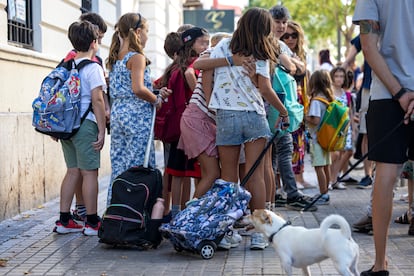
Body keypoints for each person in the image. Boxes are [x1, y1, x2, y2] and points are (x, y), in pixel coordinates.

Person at [207, 7, 290, 250]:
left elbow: (203, 66)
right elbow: (265, 89)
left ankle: (225, 230)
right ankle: (259, 233)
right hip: (254, 115)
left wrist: (229, 63)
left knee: (228, 175)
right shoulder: (261, 52)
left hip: (226, 115)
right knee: (255, 175)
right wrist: (283, 112)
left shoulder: (224, 45)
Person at [354, 1, 414, 274]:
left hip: (387, 95)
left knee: (386, 176)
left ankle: (380, 264)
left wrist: (400, 93)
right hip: (394, 95)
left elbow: (368, 47)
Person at [106, 13, 171, 203]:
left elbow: (127, 87)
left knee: (119, 163)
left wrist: (155, 92)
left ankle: (116, 208)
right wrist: (155, 100)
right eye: (147, 31)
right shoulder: (137, 58)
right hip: (136, 116)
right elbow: (138, 88)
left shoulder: (116, 57)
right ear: (138, 31)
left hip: (119, 114)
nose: (148, 36)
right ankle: (136, 210)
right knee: (139, 163)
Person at [53, 20, 107, 236]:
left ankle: (64, 220)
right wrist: (102, 130)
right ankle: (92, 222)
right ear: (94, 42)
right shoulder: (93, 68)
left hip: (67, 126)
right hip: (86, 125)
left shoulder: (66, 65)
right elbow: (98, 100)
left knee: (72, 171)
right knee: (89, 173)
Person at [269, 4, 316, 212]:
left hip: (282, 107)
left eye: (284, 22)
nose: (281, 26)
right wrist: (289, 64)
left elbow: (301, 67)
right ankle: (285, 194)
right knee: (277, 153)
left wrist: (291, 63)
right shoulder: (266, 44)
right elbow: (292, 67)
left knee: (280, 152)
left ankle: (279, 193)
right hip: (271, 108)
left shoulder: (280, 47)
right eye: (277, 22)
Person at [160, 27, 209, 218]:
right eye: (202, 42)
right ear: (191, 44)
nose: (206, 46)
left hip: (176, 127)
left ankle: (175, 212)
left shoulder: (173, 67)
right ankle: (192, 213)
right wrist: (202, 96)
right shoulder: (196, 63)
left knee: (177, 172)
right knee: (198, 172)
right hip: (192, 126)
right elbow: (190, 75)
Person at [280, 20, 314, 190]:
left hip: (300, 100)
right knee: (286, 141)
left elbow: (303, 72)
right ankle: (288, 181)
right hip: (285, 100)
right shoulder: (279, 50)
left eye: (294, 35)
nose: (290, 38)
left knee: (299, 141)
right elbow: (298, 69)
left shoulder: (301, 54)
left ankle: (299, 177)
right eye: (287, 35)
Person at [342, 34, 374, 189]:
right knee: (366, 132)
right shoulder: (369, 26)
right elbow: (355, 48)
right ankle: (368, 175)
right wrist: (342, 68)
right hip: (369, 87)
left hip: (398, 87)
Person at [305, 70, 335, 205]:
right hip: (326, 138)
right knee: (326, 166)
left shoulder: (317, 101)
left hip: (317, 138)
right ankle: (326, 192)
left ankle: (323, 194)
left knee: (319, 167)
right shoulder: (328, 98)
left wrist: (304, 117)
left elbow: (315, 120)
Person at [328, 66, 354, 190]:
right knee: (334, 154)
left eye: (342, 76)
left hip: (345, 127)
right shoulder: (329, 93)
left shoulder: (346, 94)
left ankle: (335, 179)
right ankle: (329, 179)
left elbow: (350, 112)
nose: (339, 79)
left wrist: (352, 128)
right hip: (333, 127)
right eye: (337, 76)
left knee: (342, 153)